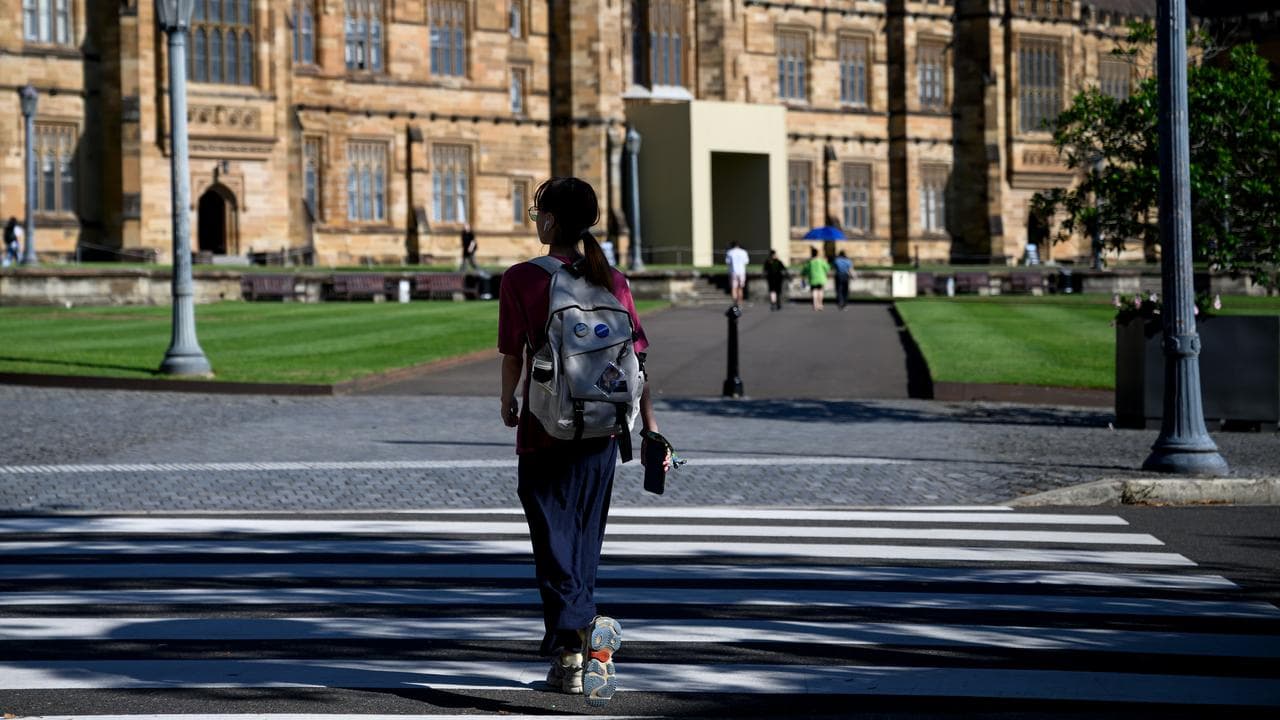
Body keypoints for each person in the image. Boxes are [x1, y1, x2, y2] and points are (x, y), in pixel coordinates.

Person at [498, 176, 670, 706]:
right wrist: (651, 426)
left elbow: (513, 353)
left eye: (537, 212)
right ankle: (572, 660)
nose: (535, 219)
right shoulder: (613, 279)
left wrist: (508, 401)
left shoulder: (523, 278)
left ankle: (584, 630)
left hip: (545, 428)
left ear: (549, 221)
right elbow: (637, 361)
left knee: (553, 546)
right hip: (603, 430)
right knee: (582, 544)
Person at [802, 246, 830, 311]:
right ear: (817, 253)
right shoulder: (821, 261)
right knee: (820, 291)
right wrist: (826, 261)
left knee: (814, 291)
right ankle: (820, 304)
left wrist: (804, 275)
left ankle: (815, 305)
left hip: (813, 278)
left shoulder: (810, 261)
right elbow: (827, 268)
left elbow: (805, 270)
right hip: (821, 278)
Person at [725, 241, 750, 306]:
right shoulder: (744, 252)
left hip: (733, 272)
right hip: (742, 272)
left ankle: (735, 303)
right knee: (740, 288)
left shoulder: (730, 252)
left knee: (734, 288)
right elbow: (746, 262)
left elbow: (728, 262)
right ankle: (740, 303)